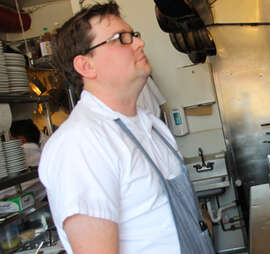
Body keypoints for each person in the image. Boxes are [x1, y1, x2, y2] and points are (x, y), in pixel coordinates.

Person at [38, 3, 214, 254]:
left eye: (134, 35)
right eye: (121, 39)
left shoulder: (153, 128)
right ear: (86, 66)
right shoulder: (81, 143)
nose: (139, 44)